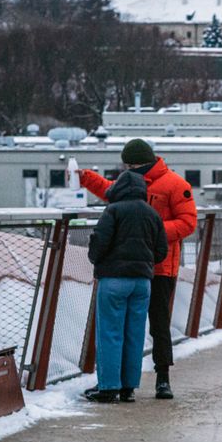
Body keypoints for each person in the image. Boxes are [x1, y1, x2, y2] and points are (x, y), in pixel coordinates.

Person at [79, 139, 197, 400]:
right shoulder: (133, 187)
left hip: (160, 268)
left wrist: (144, 235)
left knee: (157, 325)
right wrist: (86, 178)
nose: (128, 170)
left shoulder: (176, 185)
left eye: (130, 166)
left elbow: (188, 223)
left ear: (139, 163)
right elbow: (111, 190)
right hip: (148, 265)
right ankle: (127, 385)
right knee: (134, 329)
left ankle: (161, 378)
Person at [83, 170, 168, 403]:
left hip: (114, 280)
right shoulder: (152, 214)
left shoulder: (113, 211)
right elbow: (162, 250)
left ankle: (109, 387)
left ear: (118, 189)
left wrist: (96, 258)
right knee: (135, 334)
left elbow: (99, 241)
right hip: (142, 282)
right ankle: (129, 388)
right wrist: (145, 262)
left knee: (110, 333)